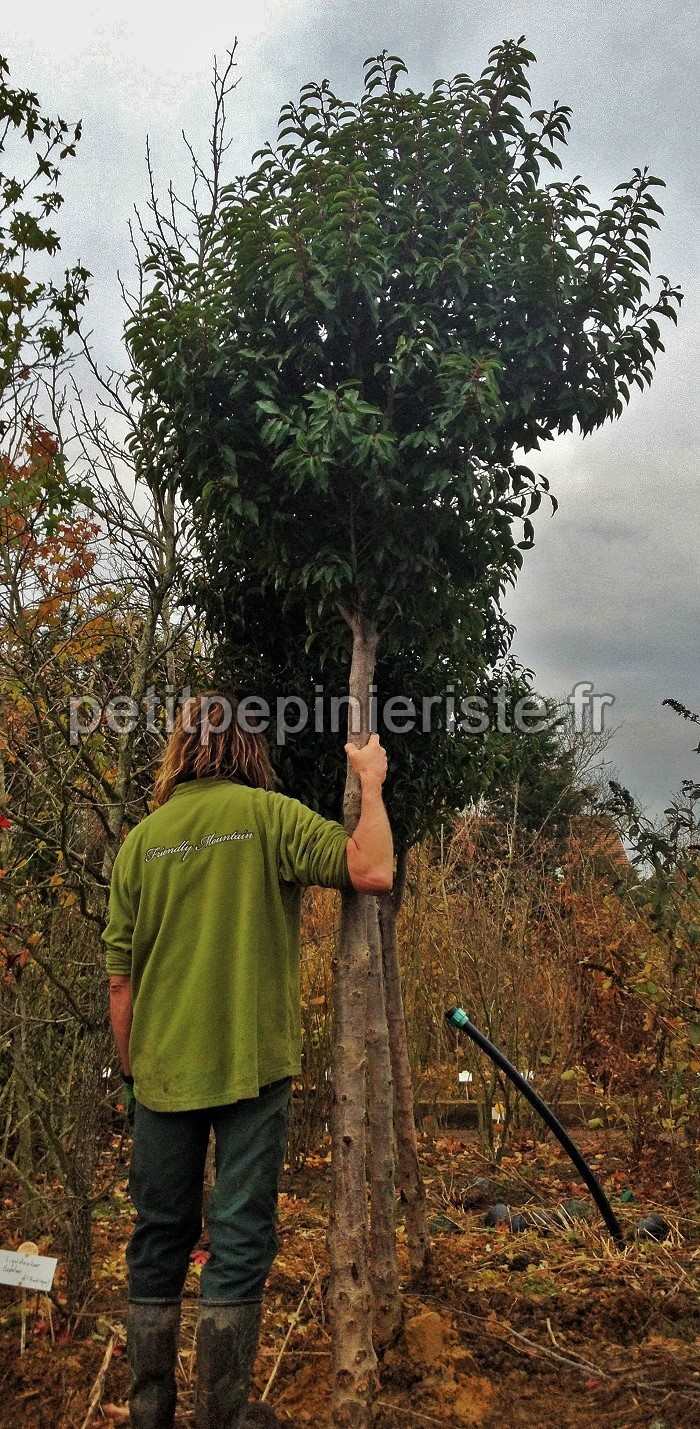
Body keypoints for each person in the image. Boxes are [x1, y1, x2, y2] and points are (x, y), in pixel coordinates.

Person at [103, 692, 393, 1429]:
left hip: (161, 1069)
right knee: (237, 1232)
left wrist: (136, 1070)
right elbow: (372, 868)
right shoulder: (270, 818)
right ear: (249, 749)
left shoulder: (143, 840)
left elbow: (120, 978)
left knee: (159, 1231)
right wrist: (371, 781)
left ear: (180, 749)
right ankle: (223, 1410)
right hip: (251, 1065)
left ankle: (149, 1410)